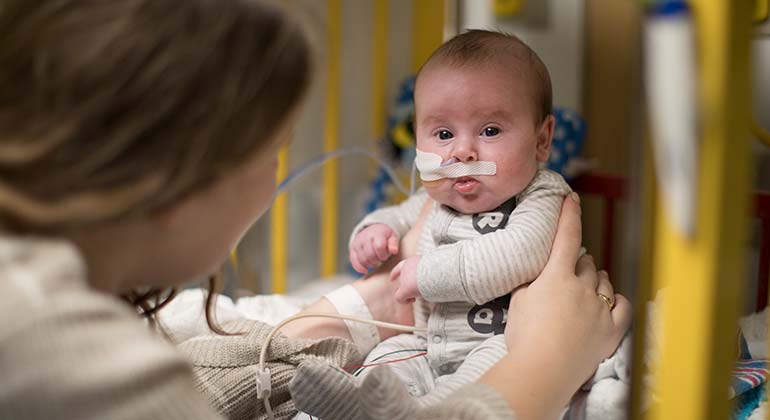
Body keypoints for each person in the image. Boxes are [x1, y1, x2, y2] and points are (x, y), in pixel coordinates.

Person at [0, 2, 630, 420]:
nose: (462, 153)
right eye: (278, 148)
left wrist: (351, 309)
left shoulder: (38, 297)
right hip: (460, 343)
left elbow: (174, 372)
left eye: (490, 131)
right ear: (181, 178)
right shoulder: (42, 342)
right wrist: (548, 361)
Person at [288, 30, 601, 419]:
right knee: (388, 358)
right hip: (424, 340)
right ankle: (356, 406)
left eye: (490, 131)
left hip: (500, 339)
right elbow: (399, 217)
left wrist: (430, 273)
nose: (462, 152)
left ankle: (425, 413)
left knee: (479, 377)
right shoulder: (435, 198)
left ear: (542, 139)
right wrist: (374, 233)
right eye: (443, 134)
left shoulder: (541, 194)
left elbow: (522, 252)